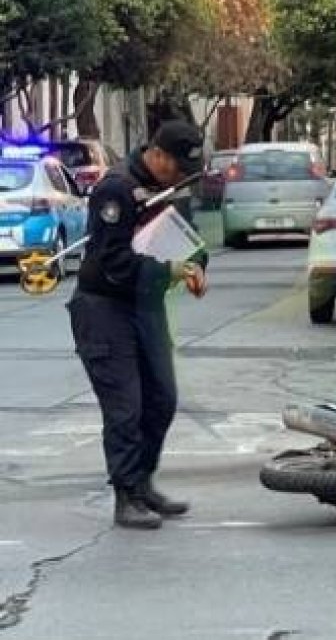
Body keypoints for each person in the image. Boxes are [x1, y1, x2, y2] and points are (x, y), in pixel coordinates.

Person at [68, 120, 208, 529]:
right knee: (125, 409)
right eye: (175, 168)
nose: (179, 177)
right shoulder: (116, 189)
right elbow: (114, 263)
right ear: (157, 154)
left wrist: (198, 265)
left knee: (161, 399)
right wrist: (170, 271)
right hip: (104, 310)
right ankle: (125, 496)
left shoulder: (163, 189)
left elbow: (187, 238)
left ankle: (144, 482)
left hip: (144, 309)